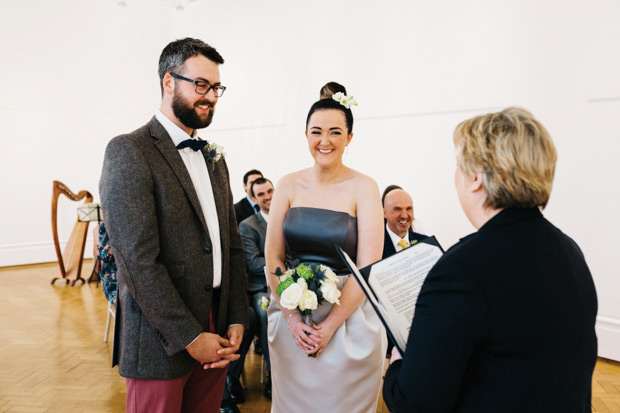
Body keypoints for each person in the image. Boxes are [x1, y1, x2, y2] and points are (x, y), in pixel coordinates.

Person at [382, 107, 598, 412]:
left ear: (475, 178)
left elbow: (415, 403)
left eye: (458, 165)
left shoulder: (461, 270)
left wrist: (396, 365)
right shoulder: (569, 251)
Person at [99, 37, 248, 413]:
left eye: (216, 88)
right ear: (169, 82)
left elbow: (230, 245)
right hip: (159, 335)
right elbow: (136, 261)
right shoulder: (129, 150)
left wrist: (235, 317)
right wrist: (189, 336)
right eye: (200, 85)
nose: (211, 96)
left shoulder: (215, 158)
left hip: (216, 326)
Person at [264, 82, 387, 412]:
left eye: (335, 132)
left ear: (349, 137)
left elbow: (369, 264)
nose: (325, 141)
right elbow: (273, 255)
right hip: (292, 317)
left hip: (349, 317)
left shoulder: (364, 187)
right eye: (316, 131)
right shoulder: (288, 184)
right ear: (306, 135)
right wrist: (290, 317)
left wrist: (329, 326)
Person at [238, 177, 274, 398]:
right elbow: (253, 263)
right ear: (253, 199)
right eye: (261, 194)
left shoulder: (289, 218)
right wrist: (282, 264)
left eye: (270, 190)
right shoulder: (248, 225)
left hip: (291, 284)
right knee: (265, 313)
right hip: (260, 288)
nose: (268, 196)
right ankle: (273, 375)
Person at [382, 187, 428, 259]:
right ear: (385, 213)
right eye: (397, 209)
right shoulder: (374, 249)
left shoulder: (426, 243)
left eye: (409, 209)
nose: (404, 215)